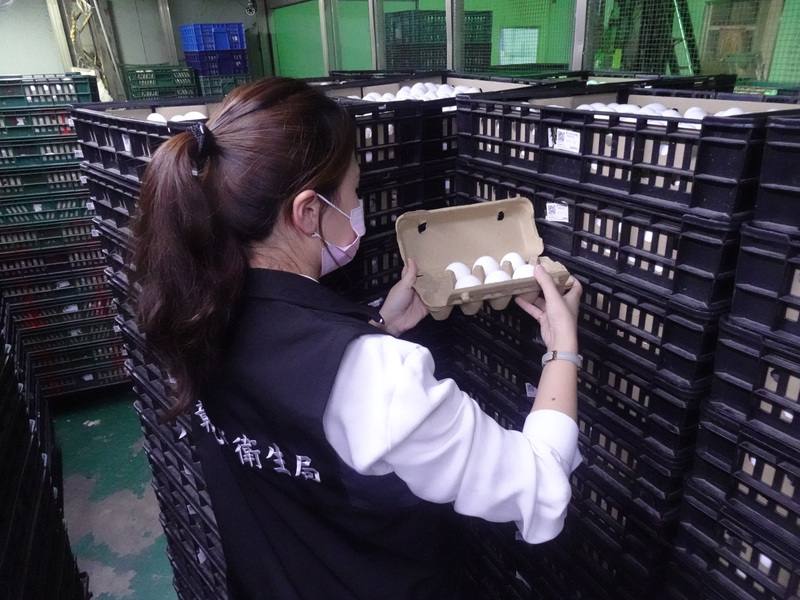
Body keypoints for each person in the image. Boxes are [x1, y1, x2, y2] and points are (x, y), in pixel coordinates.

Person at [134, 77, 583, 600]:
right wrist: (562, 351)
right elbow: (538, 488)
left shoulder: (195, 309)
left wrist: (376, 326)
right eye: (353, 190)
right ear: (307, 212)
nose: (358, 205)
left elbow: (295, 400)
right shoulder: (379, 377)